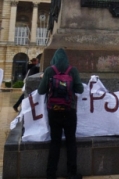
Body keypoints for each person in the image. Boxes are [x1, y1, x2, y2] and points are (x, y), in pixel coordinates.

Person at [38, 48, 84, 179]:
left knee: (55, 142)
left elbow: (41, 91)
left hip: (54, 111)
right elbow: (80, 89)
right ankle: (72, 173)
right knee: (71, 142)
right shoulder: (72, 70)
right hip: (69, 111)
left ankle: (51, 173)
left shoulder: (49, 71)